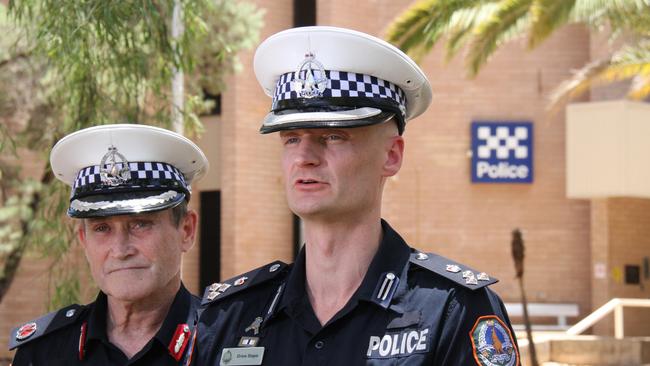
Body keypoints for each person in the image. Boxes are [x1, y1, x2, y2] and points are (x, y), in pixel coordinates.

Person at [194, 26, 520, 366]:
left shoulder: (452, 311)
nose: (304, 156)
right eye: (291, 137)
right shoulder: (230, 316)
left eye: (333, 136)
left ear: (391, 156)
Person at [9, 124, 208, 365]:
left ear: (186, 230)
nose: (121, 250)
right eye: (102, 228)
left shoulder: (223, 341)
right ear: (83, 241)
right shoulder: (43, 353)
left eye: (140, 224)